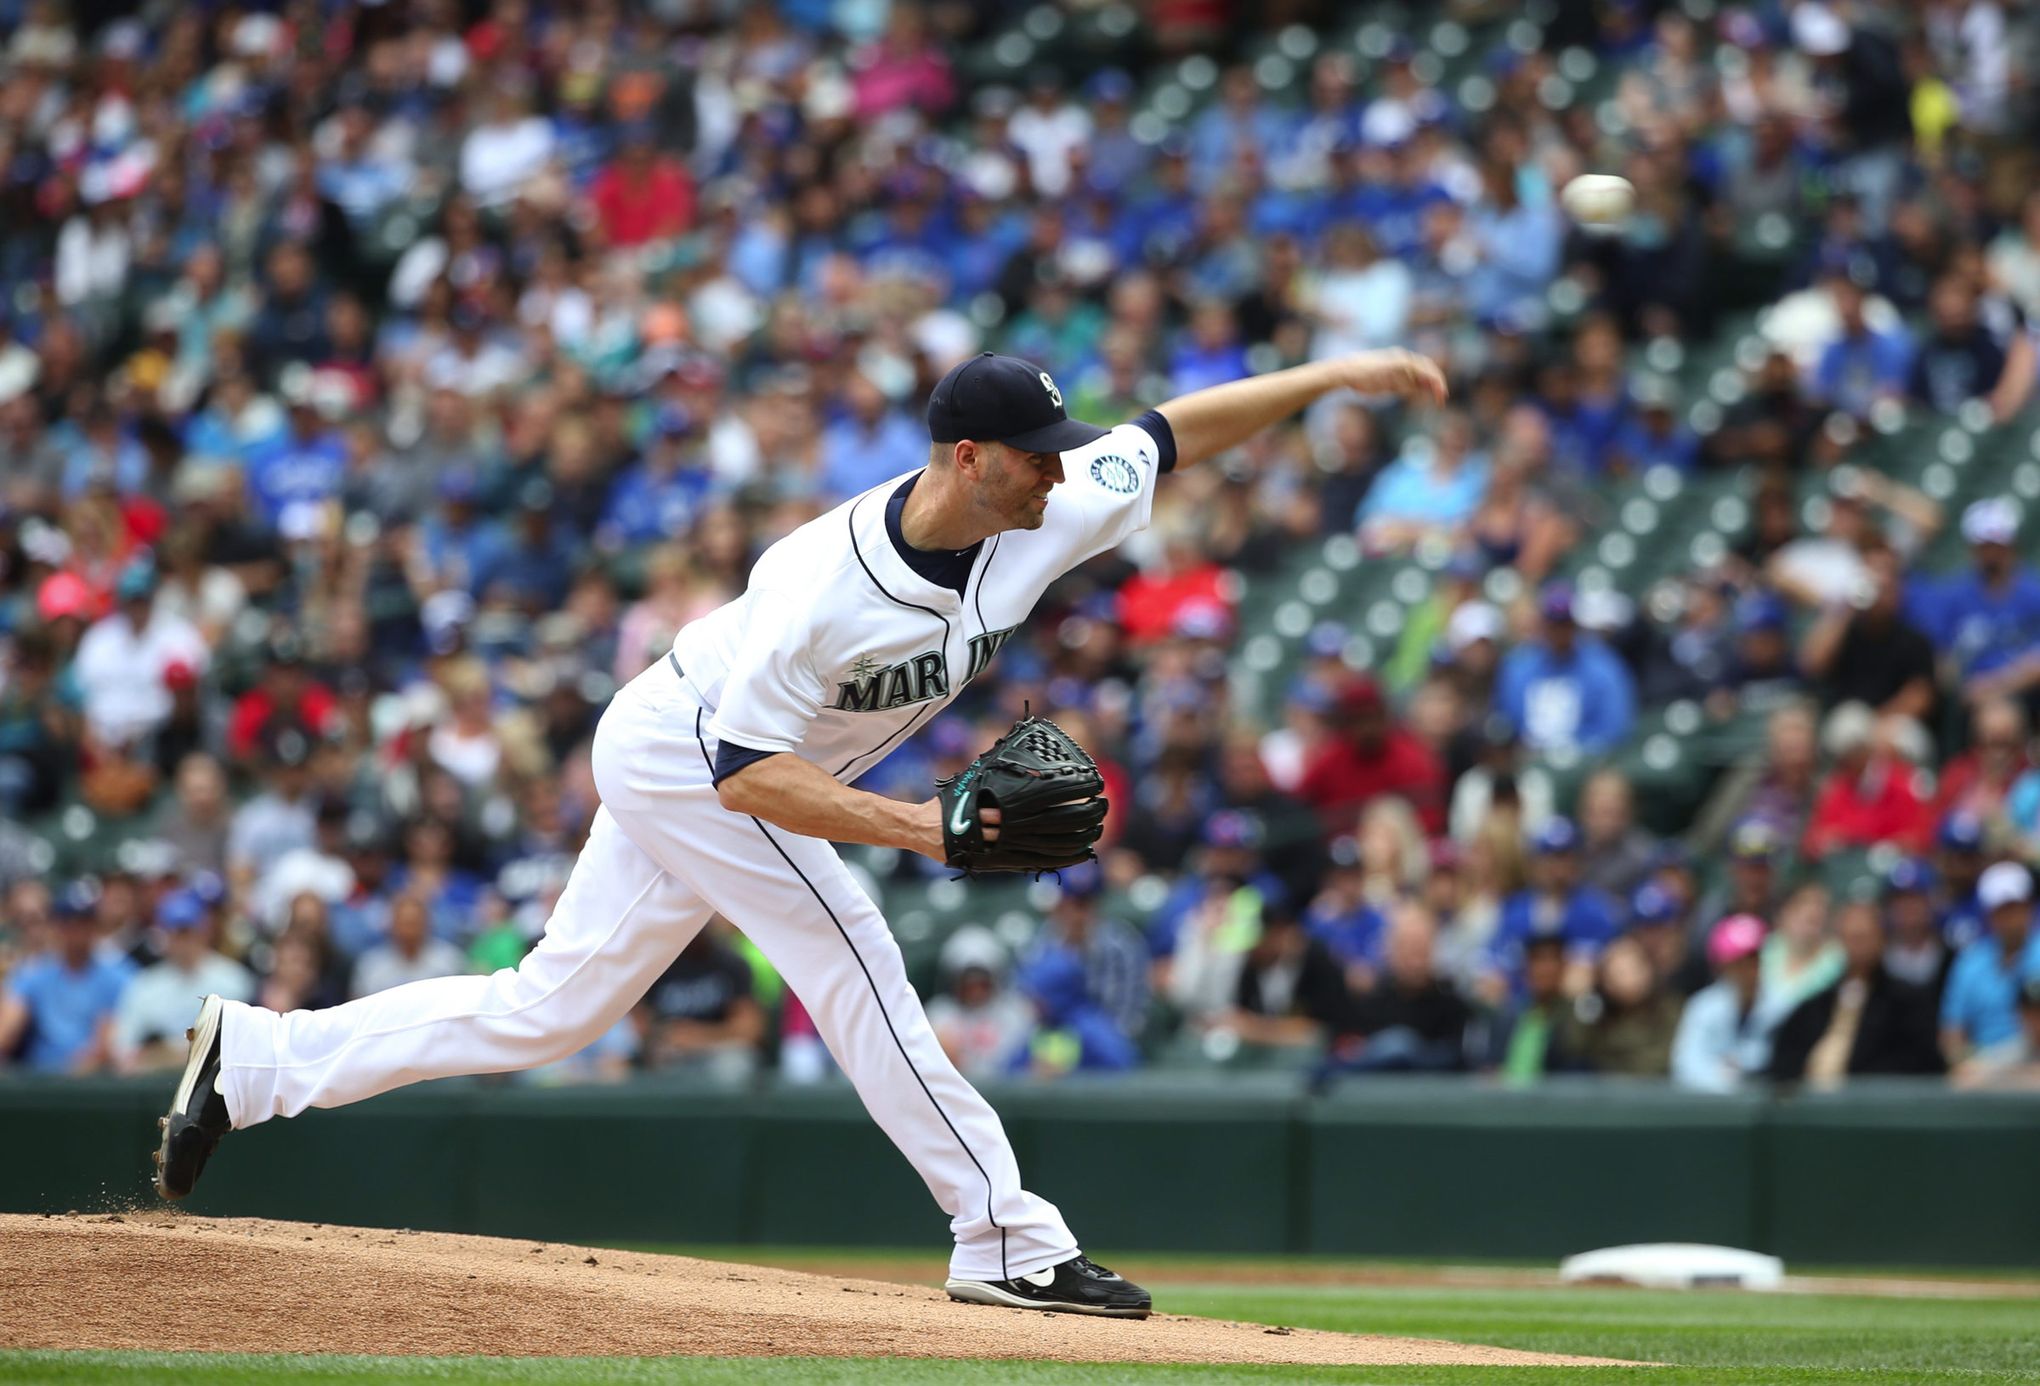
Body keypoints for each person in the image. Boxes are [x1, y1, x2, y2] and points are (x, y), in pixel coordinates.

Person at [152, 345, 1449, 1319]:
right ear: (965, 458)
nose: (1062, 463)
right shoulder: (818, 589)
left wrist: (1342, 375)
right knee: (855, 955)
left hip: (725, 761)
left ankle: (259, 1060)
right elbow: (743, 773)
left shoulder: (1047, 503)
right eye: (1035, 447)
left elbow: (1171, 433)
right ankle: (1004, 1237)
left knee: (548, 1009)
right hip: (691, 752)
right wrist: (922, 830)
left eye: (1058, 444)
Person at [1767, 900, 1944, 1086]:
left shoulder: (1909, 1003)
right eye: (1850, 938)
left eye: (1863, 937)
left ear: (1882, 939)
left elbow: (1922, 1062)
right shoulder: (1814, 1007)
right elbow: (1785, 1060)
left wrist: (1851, 1075)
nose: (1857, 946)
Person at [112, 890, 256, 1072]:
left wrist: (172, 1054)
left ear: (203, 931)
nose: (182, 942)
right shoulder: (144, 985)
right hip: (157, 1084)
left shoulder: (233, 980)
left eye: (187, 932)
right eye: (175, 933)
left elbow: (246, 1047)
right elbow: (124, 1051)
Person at [0, 883, 136, 1074]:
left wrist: (79, 1068)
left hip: (92, 1084)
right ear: (57, 926)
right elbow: (7, 1032)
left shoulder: (118, 975)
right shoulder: (35, 974)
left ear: (94, 926)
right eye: (68, 923)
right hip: (39, 1080)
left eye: (83, 923)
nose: (75, 932)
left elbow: (105, 1045)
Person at [1940, 861, 2040, 1068]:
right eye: (2000, 910)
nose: (2009, 917)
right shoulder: (1970, 962)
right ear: (1988, 914)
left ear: (2029, 906)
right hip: (1983, 1073)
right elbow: (1952, 1032)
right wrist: (1963, 1064)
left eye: (2014, 907)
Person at [1671, 914, 1772, 1093]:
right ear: (1722, 967)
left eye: (1754, 959)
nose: (1748, 970)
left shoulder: (1782, 1002)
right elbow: (1685, 1066)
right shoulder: (1703, 1006)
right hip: (1712, 1112)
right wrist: (1727, 1080)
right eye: (1738, 963)